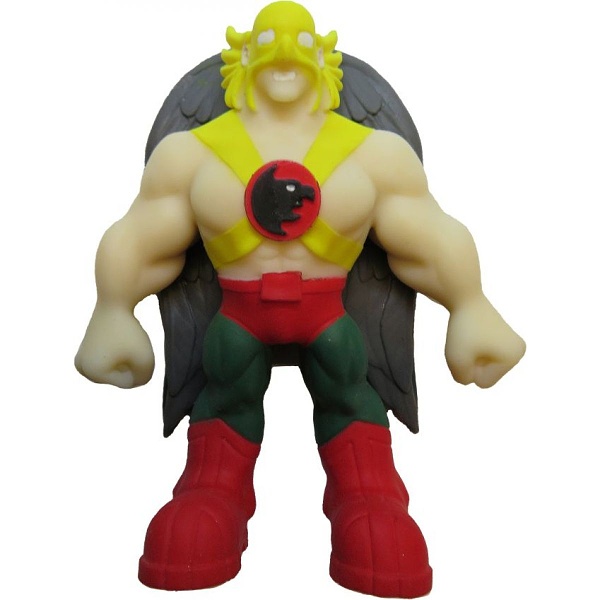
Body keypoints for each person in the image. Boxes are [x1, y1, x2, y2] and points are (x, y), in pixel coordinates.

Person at [75, 2, 525, 597]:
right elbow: (140, 235)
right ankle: (211, 490)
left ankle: (369, 493)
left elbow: (427, 232)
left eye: (301, 42)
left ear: (325, 59)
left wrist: (471, 305)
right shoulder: (191, 154)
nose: (285, 54)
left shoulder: (372, 153)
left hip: (329, 315)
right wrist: (112, 310)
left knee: (348, 386)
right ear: (241, 57)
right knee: (226, 386)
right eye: (269, 41)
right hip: (237, 315)